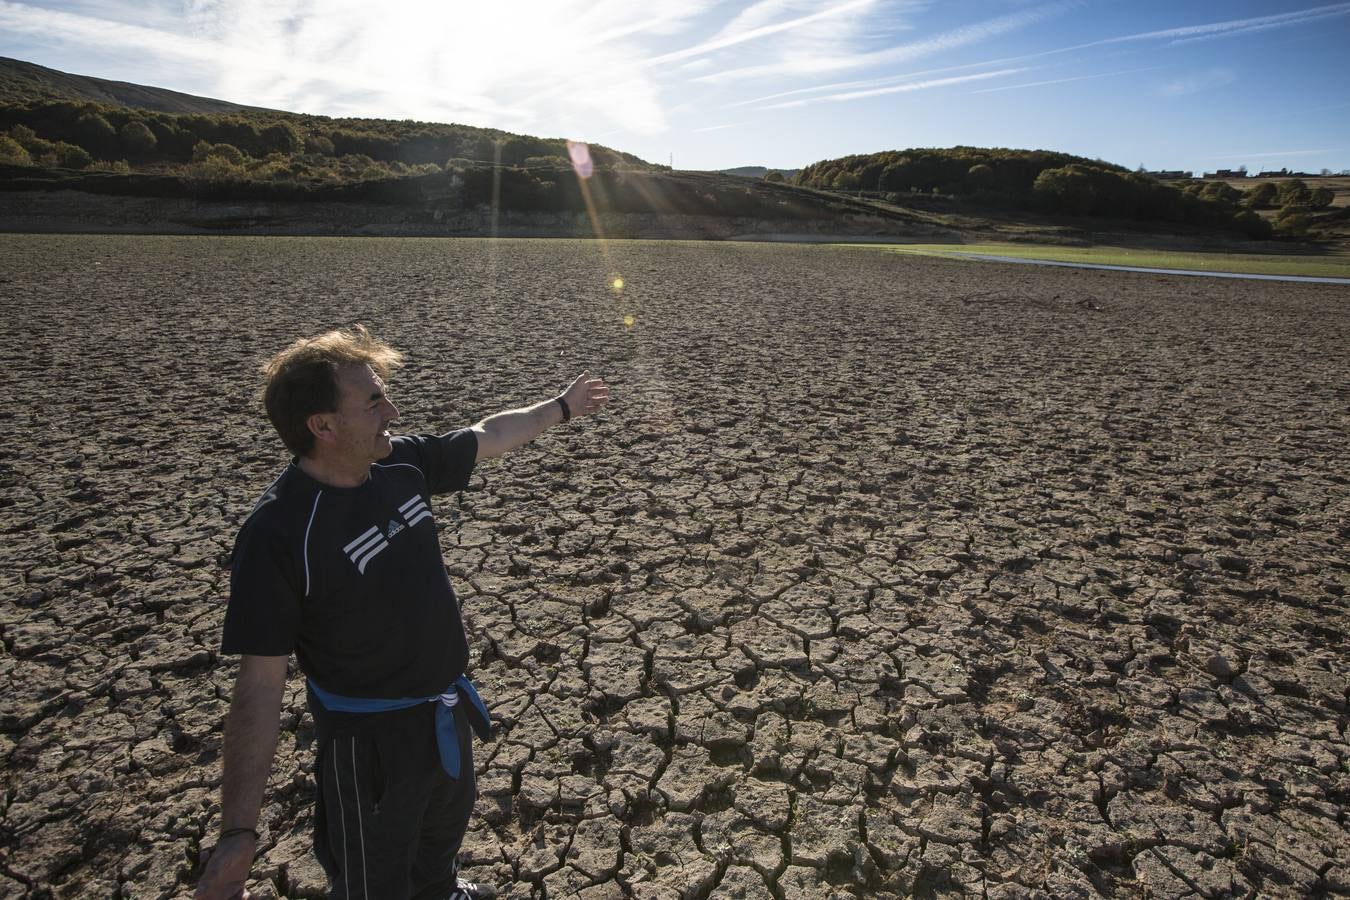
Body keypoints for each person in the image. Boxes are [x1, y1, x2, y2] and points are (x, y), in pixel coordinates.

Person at [195, 325, 610, 900]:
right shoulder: (279, 534)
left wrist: (561, 408)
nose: (392, 409)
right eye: (373, 401)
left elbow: (486, 434)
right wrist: (239, 832)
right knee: (374, 883)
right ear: (322, 426)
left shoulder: (398, 465)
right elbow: (260, 686)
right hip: (371, 755)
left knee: (438, 846)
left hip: (445, 713)